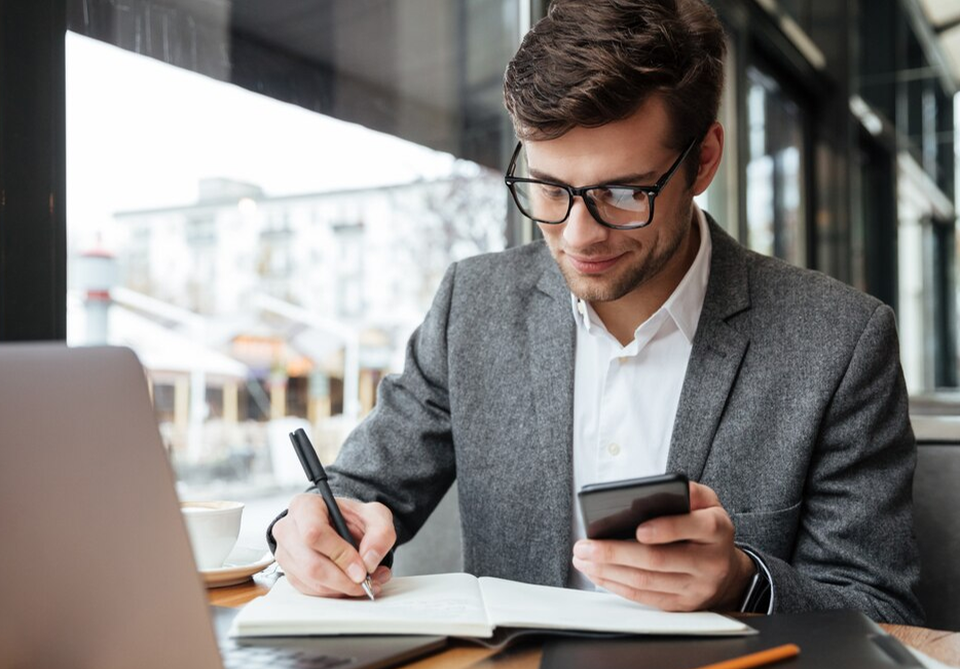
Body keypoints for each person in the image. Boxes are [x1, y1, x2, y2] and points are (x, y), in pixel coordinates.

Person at [269, 0, 922, 623]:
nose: (579, 235)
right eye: (550, 189)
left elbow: (881, 609)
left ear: (704, 161)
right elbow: (355, 492)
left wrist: (743, 583)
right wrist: (306, 530)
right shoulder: (473, 307)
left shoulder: (838, 343)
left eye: (622, 191)